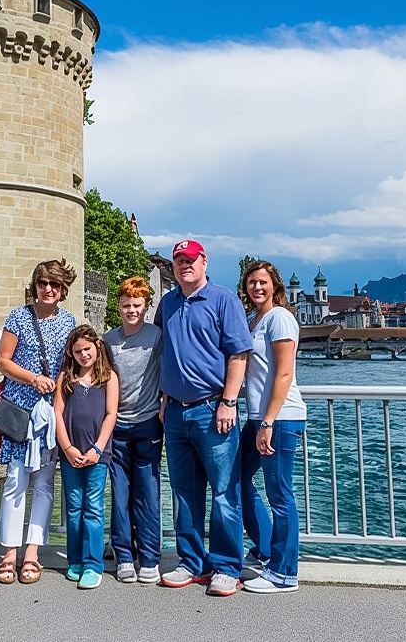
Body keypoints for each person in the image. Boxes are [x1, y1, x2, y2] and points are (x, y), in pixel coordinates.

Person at [154, 239, 253, 596]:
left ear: (204, 261)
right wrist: (164, 397)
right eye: (179, 260)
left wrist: (228, 401)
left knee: (225, 491)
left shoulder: (224, 299)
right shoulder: (167, 303)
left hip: (213, 409)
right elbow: (166, 353)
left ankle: (227, 566)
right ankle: (191, 562)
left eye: (190, 260)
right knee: (184, 492)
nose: (184, 265)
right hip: (176, 412)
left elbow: (239, 355)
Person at [0, 259, 78, 586]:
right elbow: (2, 361)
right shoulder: (18, 316)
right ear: (35, 285)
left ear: (62, 289)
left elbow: (71, 363)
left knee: (43, 485)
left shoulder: (68, 321)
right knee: (15, 480)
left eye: (55, 285)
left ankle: (32, 553)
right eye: (43, 283)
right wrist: (33, 378)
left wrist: (57, 384)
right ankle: (9, 553)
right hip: (20, 411)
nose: (49, 289)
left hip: (51, 411)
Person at [238, 260, 306, 594]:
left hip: (278, 418)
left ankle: (284, 572)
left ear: (274, 285)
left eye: (262, 282)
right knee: (237, 480)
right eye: (251, 282)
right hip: (257, 418)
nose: (257, 287)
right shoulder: (254, 320)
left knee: (280, 495)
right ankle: (266, 550)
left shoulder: (280, 318)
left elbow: (283, 373)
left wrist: (267, 421)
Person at [104, 275, 164, 584]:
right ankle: (124, 554)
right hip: (117, 425)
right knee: (120, 492)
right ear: (118, 307)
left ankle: (150, 557)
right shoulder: (108, 340)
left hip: (148, 422)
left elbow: (166, 372)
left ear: (145, 307)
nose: (131, 310)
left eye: (137, 305)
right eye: (126, 305)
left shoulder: (155, 336)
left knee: (148, 492)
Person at [54, 325, 119, 590]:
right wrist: (67, 448)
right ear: (71, 352)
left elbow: (110, 414)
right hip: (71, 453)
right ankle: (76, 559)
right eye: (78, 351)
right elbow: (57, 413)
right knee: (74, 507)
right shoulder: (66, 378)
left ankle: (93, 564)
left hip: (97, 454)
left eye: (87, 350)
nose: (83, 355)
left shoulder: (108, 377)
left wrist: (98, 448)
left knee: (93, 508)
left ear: (97, 348)